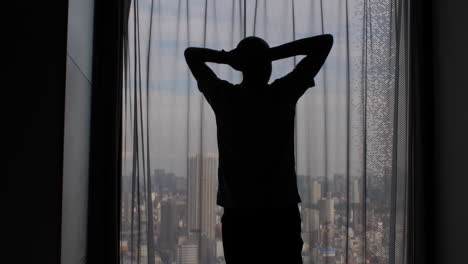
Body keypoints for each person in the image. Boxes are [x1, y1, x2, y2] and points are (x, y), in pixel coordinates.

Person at [184, 34, 333, 263]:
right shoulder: (281, 94)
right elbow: (324, 42)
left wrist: (230, 58)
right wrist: (269, 54)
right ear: (267, 66)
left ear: (241, 66)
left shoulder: (225, 97)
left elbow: (191, 54)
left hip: (239, 213)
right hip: (280, 211)